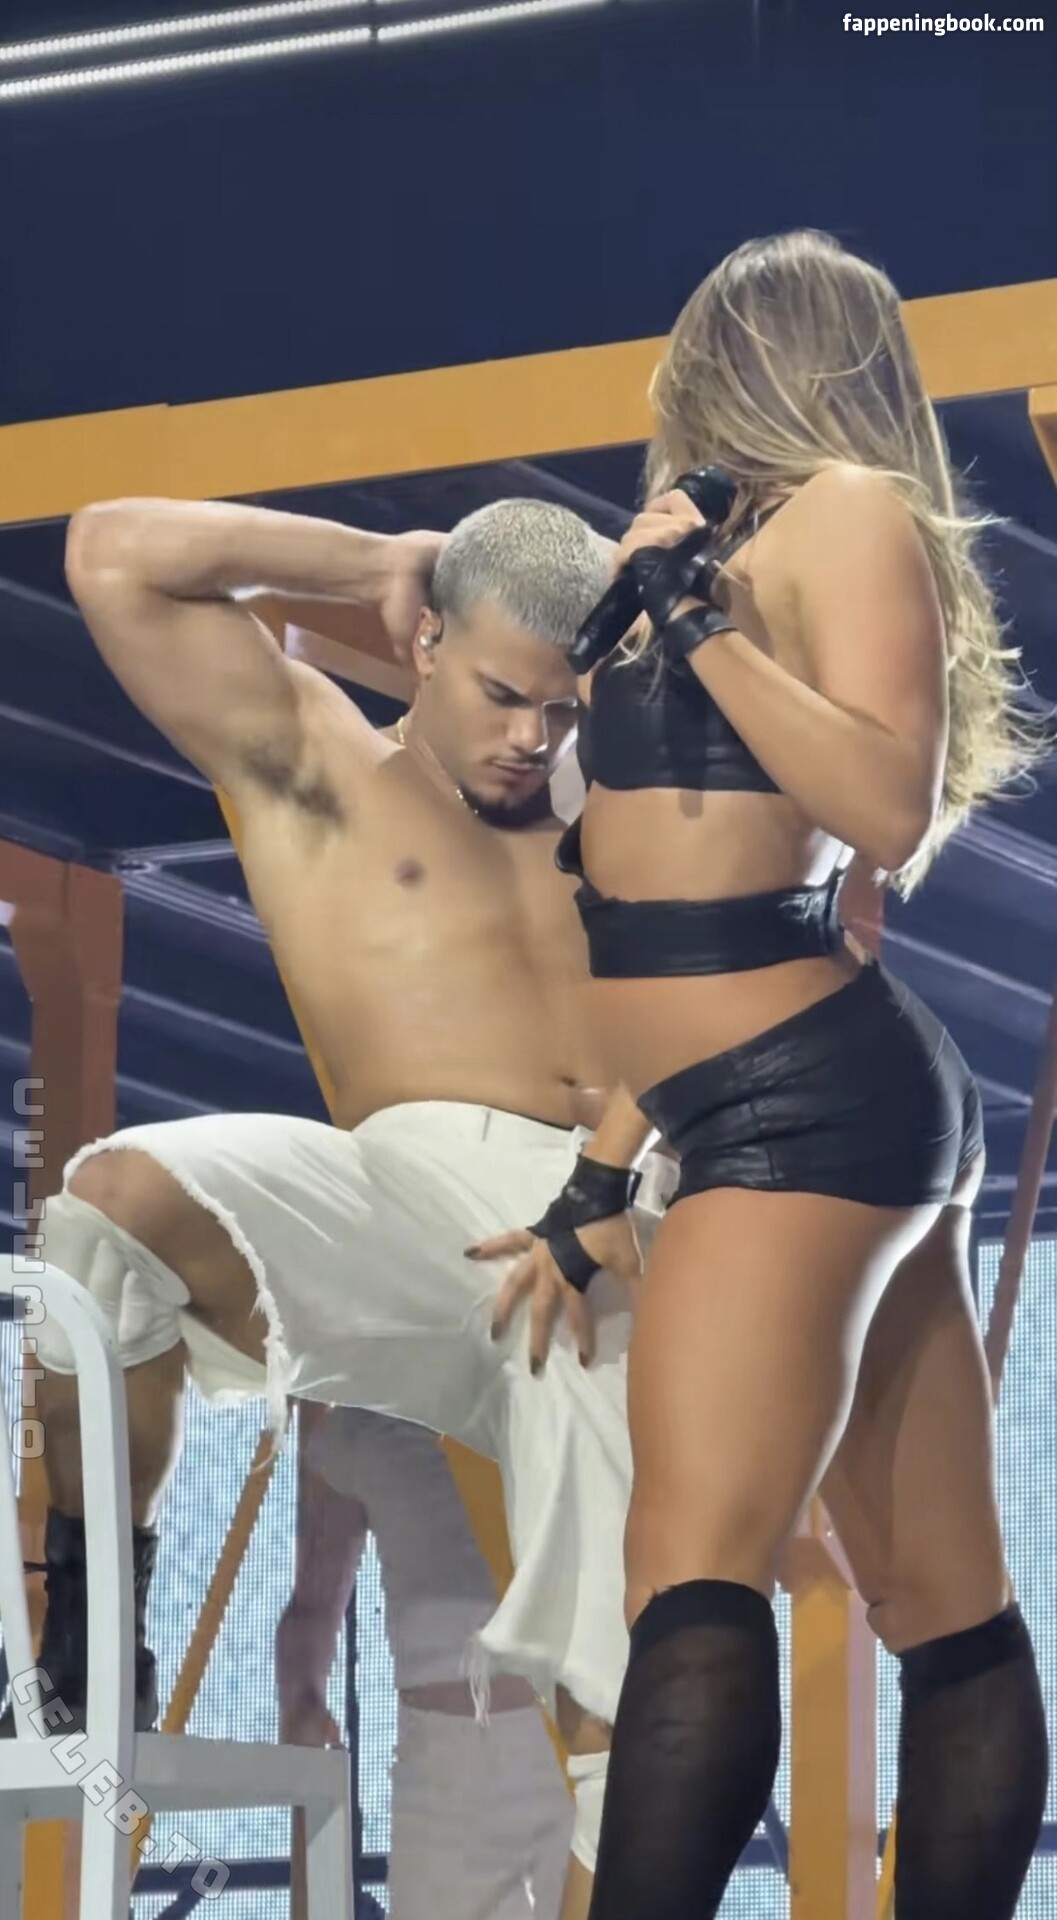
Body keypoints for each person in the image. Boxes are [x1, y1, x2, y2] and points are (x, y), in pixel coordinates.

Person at [472, 230, 1050, 1920]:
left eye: (698, 350)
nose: (673, 383)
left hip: (804, 1104)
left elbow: (882, 806)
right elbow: (664, 914)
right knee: (939, 1602)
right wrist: (601, 1169)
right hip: (758, 1101)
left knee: (688, 1572)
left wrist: (698, 627)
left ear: (756, 355)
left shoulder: (847, 514)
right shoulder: (714, 546)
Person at [15, 491, 667, 1918]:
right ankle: (93, 1632)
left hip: (611, 1211)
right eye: (502, 696)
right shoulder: (318, 761)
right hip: (405, 1192)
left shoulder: (620, 799)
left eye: (560, 709)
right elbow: (109, 553)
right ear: (425, 642)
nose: (532, 738)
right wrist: (379, 560)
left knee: (620, 1671)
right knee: (107, 1210)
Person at [277, 1405, 572, 1920]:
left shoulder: (550, 1380)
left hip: (579, 1733)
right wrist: (302, 1708)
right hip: (444, 1771)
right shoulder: (358, 1414)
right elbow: (312, 1604)